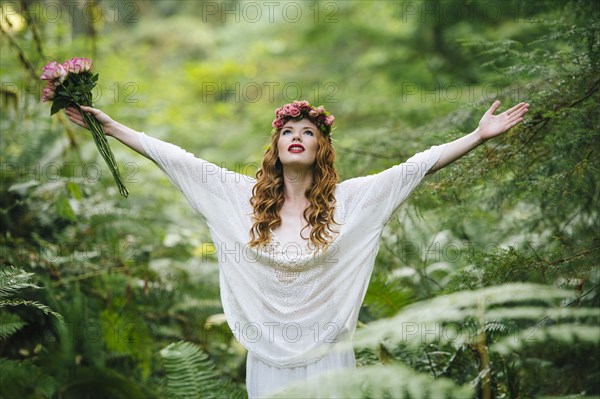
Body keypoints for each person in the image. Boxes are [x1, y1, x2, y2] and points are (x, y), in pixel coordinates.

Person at [65, 99, 529, 398]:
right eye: (289, 132)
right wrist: (110, 126)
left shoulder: (350, 201)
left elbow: (414, 167)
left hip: (328, 351)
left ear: (321, 148)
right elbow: (178, 160)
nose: (297, 137)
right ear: (277, 146)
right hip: (267, 353)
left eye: (308, 132)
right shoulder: (242, 197)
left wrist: (477, 136)